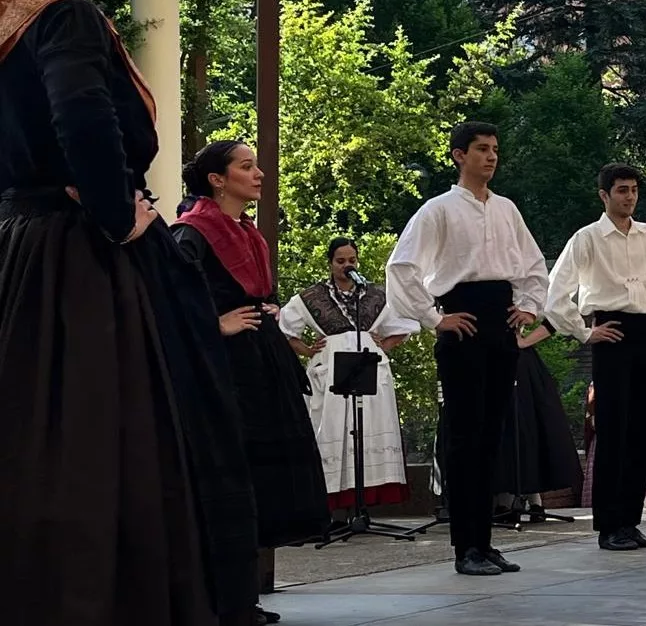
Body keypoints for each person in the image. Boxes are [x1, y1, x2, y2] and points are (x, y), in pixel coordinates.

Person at [0, 0, 258, 626]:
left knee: (32, 444)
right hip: (83, 263)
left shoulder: (6, 20)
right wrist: (119, 211)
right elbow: (83, 117)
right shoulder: (65, 16)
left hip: (18, 251)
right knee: (112, 447)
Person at [175, 142, 331, 622]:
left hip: (261, 366)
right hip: (225, 372)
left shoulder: (248, 232)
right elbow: (172, 299)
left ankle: (243, 599)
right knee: (228, 478)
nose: (259, 174)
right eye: (246, 167)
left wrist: (268, 311)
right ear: (217, 179)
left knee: (258, 480)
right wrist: (215, 323)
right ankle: (223, 603)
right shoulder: (190, 233)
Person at [385, 121, 548, 576]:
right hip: (463, 322)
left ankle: (485, 541)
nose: (491, 156)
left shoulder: (507, 209)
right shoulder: (438, 210)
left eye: (495, 149)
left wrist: (530, 306)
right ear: (459, 155)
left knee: (493, 435)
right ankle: (466, 548)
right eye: (481, 149)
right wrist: (435, 318)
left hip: (500, 321)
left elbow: (533, 264)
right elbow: (402, 267)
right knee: (465, 437)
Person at [545, 163, 646, 552]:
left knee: (638, 431)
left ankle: (630, 521)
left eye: (633, 190)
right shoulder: (587, 238)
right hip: (610, 331)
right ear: (604, 195)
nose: (629, 197)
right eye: (621, 190)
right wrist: (584, 331)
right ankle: (609, 525)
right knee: (612, 431)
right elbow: (556, 292)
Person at [279, 237, 418, 513]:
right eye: (340, 261)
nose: (347, 265)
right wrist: (307, 350)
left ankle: (362, 505)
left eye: (352, 260)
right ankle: (336, 507)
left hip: (369, 369)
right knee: (334, 428)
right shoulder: (312, 296)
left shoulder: (376, 295)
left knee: (369, 427)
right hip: (332, 370)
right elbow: (284, 328)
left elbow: (406, 322)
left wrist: (384, 344)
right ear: (330, 263)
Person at [490, 321, 584, 525]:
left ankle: (512, 503)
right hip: (499, 359)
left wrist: (525, 341)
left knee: (519, 426)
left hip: (513, 361)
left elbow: (556, 315)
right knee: (519, 427)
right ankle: (528, 502)